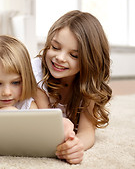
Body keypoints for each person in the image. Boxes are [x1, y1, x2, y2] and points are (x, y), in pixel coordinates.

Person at [32, 10, 112, 164]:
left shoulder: (89, 84)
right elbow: (49, 128)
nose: (60, 58)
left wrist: (76, 146)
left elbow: (87, 131)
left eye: (74, 55)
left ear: (90, 61)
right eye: (55, 47)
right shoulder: (37, 73)